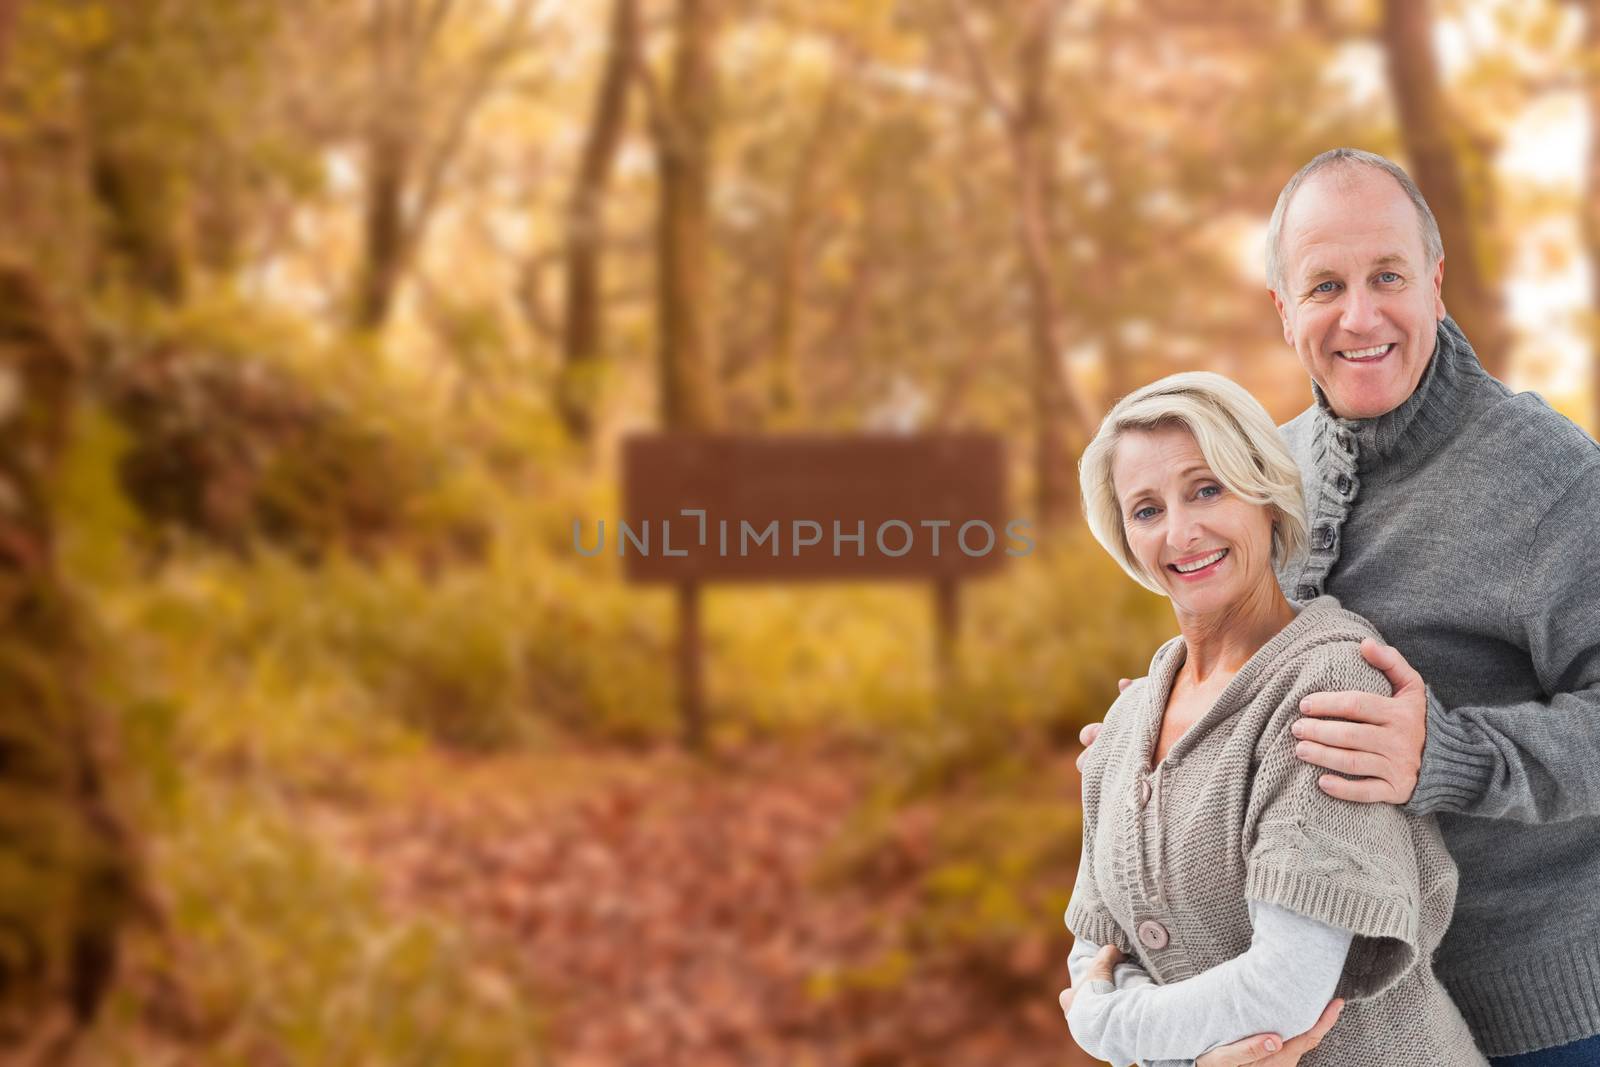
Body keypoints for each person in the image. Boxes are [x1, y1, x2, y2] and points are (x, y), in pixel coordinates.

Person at [1076, 148, 1600, 1066]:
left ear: (1437, 283)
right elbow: (1255, 690)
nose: (1360, 316)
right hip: (1325, 1017)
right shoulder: (1262, 471)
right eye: (1324, 285)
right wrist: (1163, 740)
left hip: (1537, 1009)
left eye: (1387, 275)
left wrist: (1449, 757)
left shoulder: (1551, 479)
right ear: (1284, 311)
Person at [1058, 371, 1483, 1067]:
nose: (1181, 531)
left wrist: (1110, 1028)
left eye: (1206, 488)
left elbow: (1286, 991)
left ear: (1263, 492)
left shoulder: (1331, 682)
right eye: (1145, 509)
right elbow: (1093, 949)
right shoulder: (1131, 716)